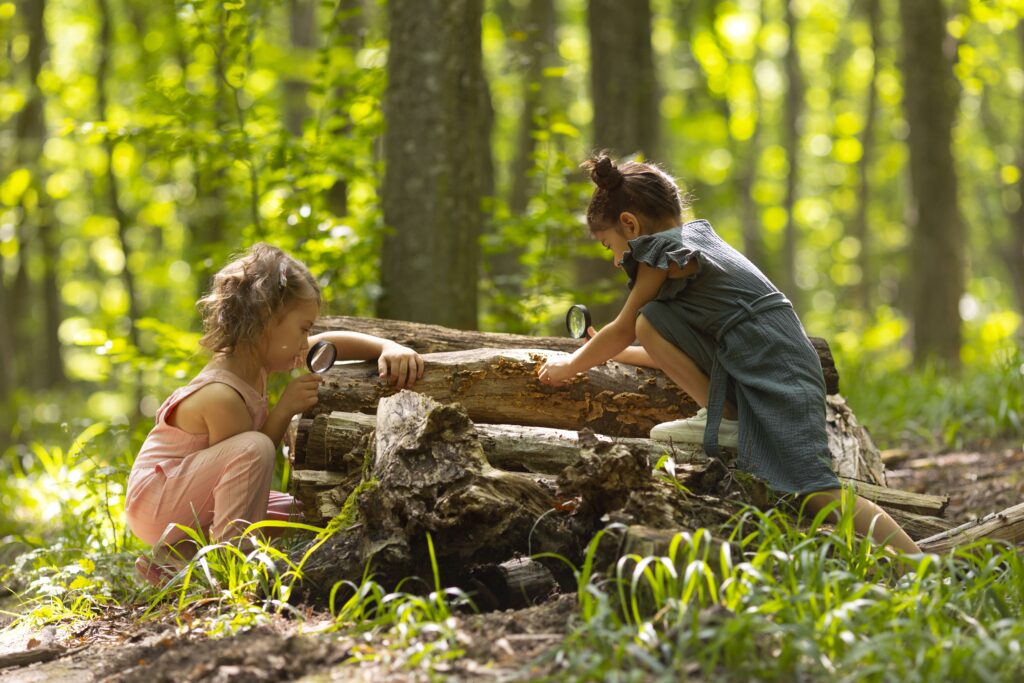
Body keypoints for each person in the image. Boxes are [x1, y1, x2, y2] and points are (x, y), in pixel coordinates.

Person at [538, 155, 921, 555]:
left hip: (778, 369)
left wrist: (569, 365)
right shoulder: (692, 246)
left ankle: (918, 563)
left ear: (630, 226)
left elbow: (622, 328)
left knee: (815, 488)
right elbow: (654, 337)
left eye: (610, 246)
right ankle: (726, 421)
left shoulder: (662, 250)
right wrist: (612, 354)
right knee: (652, 319)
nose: (616, 260)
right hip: (759, 359)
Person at [125, 243, 425, 585]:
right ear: (266, 319)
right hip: (156, 503)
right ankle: (227, 566)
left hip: (192, 496)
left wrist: (389, 348)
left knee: (307, 510)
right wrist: (283, 410)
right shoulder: (222, 395)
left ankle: (178, 557)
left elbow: (331, 343)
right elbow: (248, 467)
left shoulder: (257, 360)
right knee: (256, 447)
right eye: (302, 328)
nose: (307, 340)